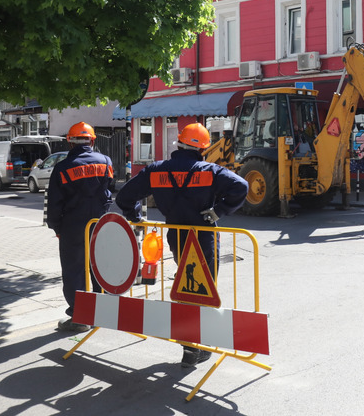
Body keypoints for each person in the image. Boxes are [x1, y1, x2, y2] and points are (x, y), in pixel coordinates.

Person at [116, 123, 248, 368]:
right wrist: (219, 211)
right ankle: (193, 347)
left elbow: (124, 196)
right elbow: (241, 186)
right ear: (203, 148)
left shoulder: (155, 170)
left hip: (176, 235)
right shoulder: (210, 170)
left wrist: (134, 217)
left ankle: (191, 345)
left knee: (187, 285)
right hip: (203, 235)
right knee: (203, 290)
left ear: (178, 143)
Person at [46, 122, 115, 333]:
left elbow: (54, 203)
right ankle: (100, 312)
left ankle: (80, 317)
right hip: (99, 222)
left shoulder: (62, 167)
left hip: (73, 225)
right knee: (98, 266)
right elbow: (110, 190)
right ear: (92, 140)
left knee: (74, 269)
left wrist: (56, 227)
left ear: (70, 142)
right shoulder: (105, 161)